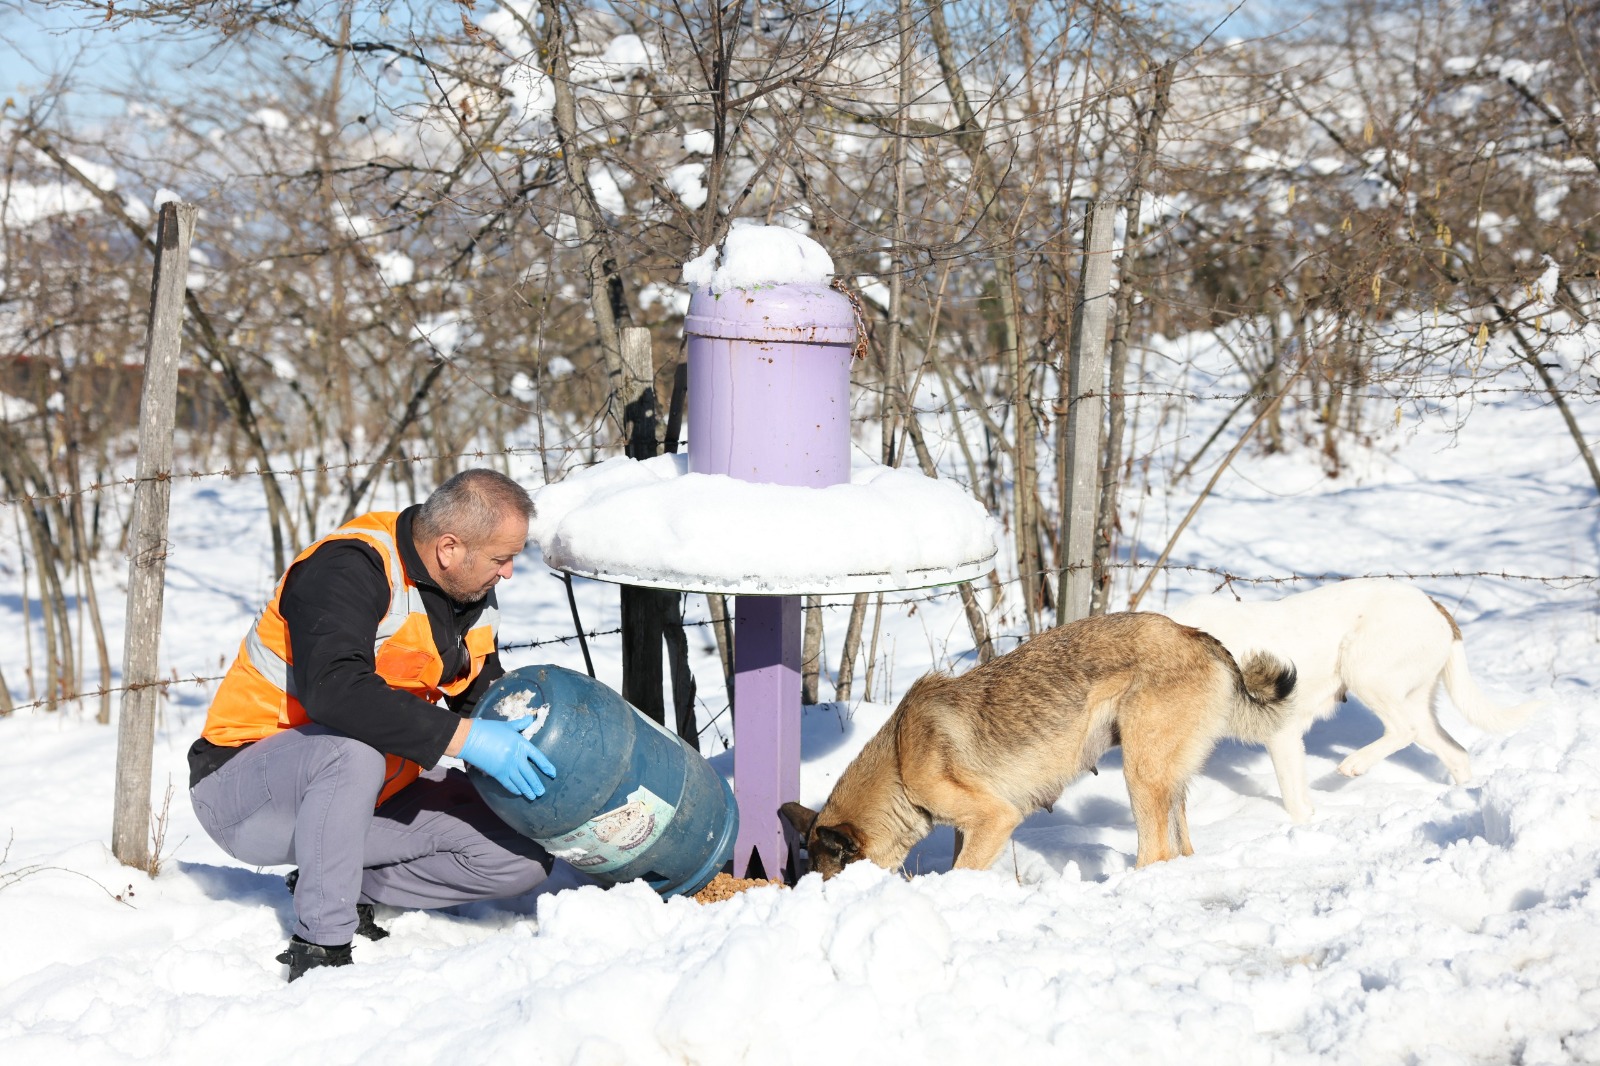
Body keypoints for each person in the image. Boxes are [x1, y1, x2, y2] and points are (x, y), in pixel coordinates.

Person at [189, 468, 558, 981]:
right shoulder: (348, 568)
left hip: (376, 788)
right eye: (502, 558)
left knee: (520, 857)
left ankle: (340, 879)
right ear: (450, 548)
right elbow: (335, 692)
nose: (510, 572)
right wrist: (467, 740)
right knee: (350, 753)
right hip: (245, 791)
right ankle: (322, 945)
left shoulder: (468, 592)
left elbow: (479, 697)